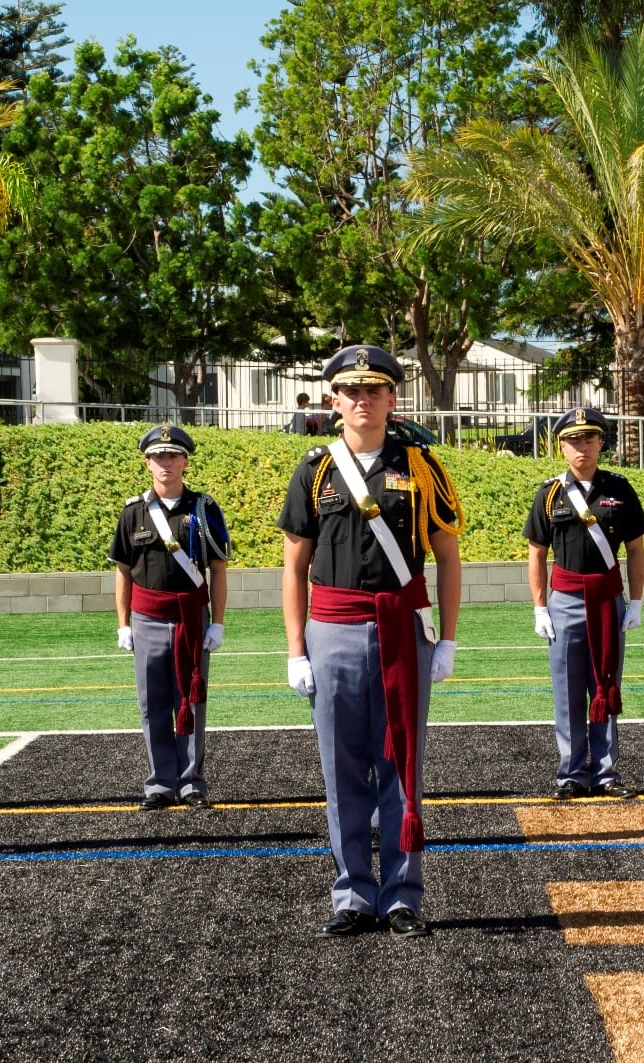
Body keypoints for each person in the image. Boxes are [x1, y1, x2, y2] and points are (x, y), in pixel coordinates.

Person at [278, 343, 464, 939]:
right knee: (342, 766)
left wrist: (449, 637)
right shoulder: (315, 469)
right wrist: (294, 649)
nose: (363, 400)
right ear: (334, 401)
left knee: (401, 763)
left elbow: (448, 557)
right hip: (330, 628)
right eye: (351, 391)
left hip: (402, 630)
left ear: (392, 398)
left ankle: (403, 894)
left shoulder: (422, 466)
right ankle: (352, 894)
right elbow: (293, 566)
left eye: (375, 390)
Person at [524, 406, 644, 800]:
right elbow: (536, 553)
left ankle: (606, 772)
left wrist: (637, 601)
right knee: (567, 687)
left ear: (600, 443)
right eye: (574, 441)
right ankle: (572, 772)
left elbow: (636, 550)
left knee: (607, 683)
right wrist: (540, 606)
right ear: (561, 446)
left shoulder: (620, 489)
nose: (582, 448)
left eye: (589, 439)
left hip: (608, 598)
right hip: (565, 601)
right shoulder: (549, 495)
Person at [109, 424, 231, 810]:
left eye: (172, 456)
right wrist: (123, 623)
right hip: (146, 617)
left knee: (192, 699)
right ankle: (159, 783)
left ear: (185, 461)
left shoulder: (204, 508)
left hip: (192, 618)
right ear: (148, 463)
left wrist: (219, 621)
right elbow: (123, 572)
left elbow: (218, 568)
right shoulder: (133, 512)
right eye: (158, 456)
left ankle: (191, 781)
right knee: (153, 702)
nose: (166, 463)